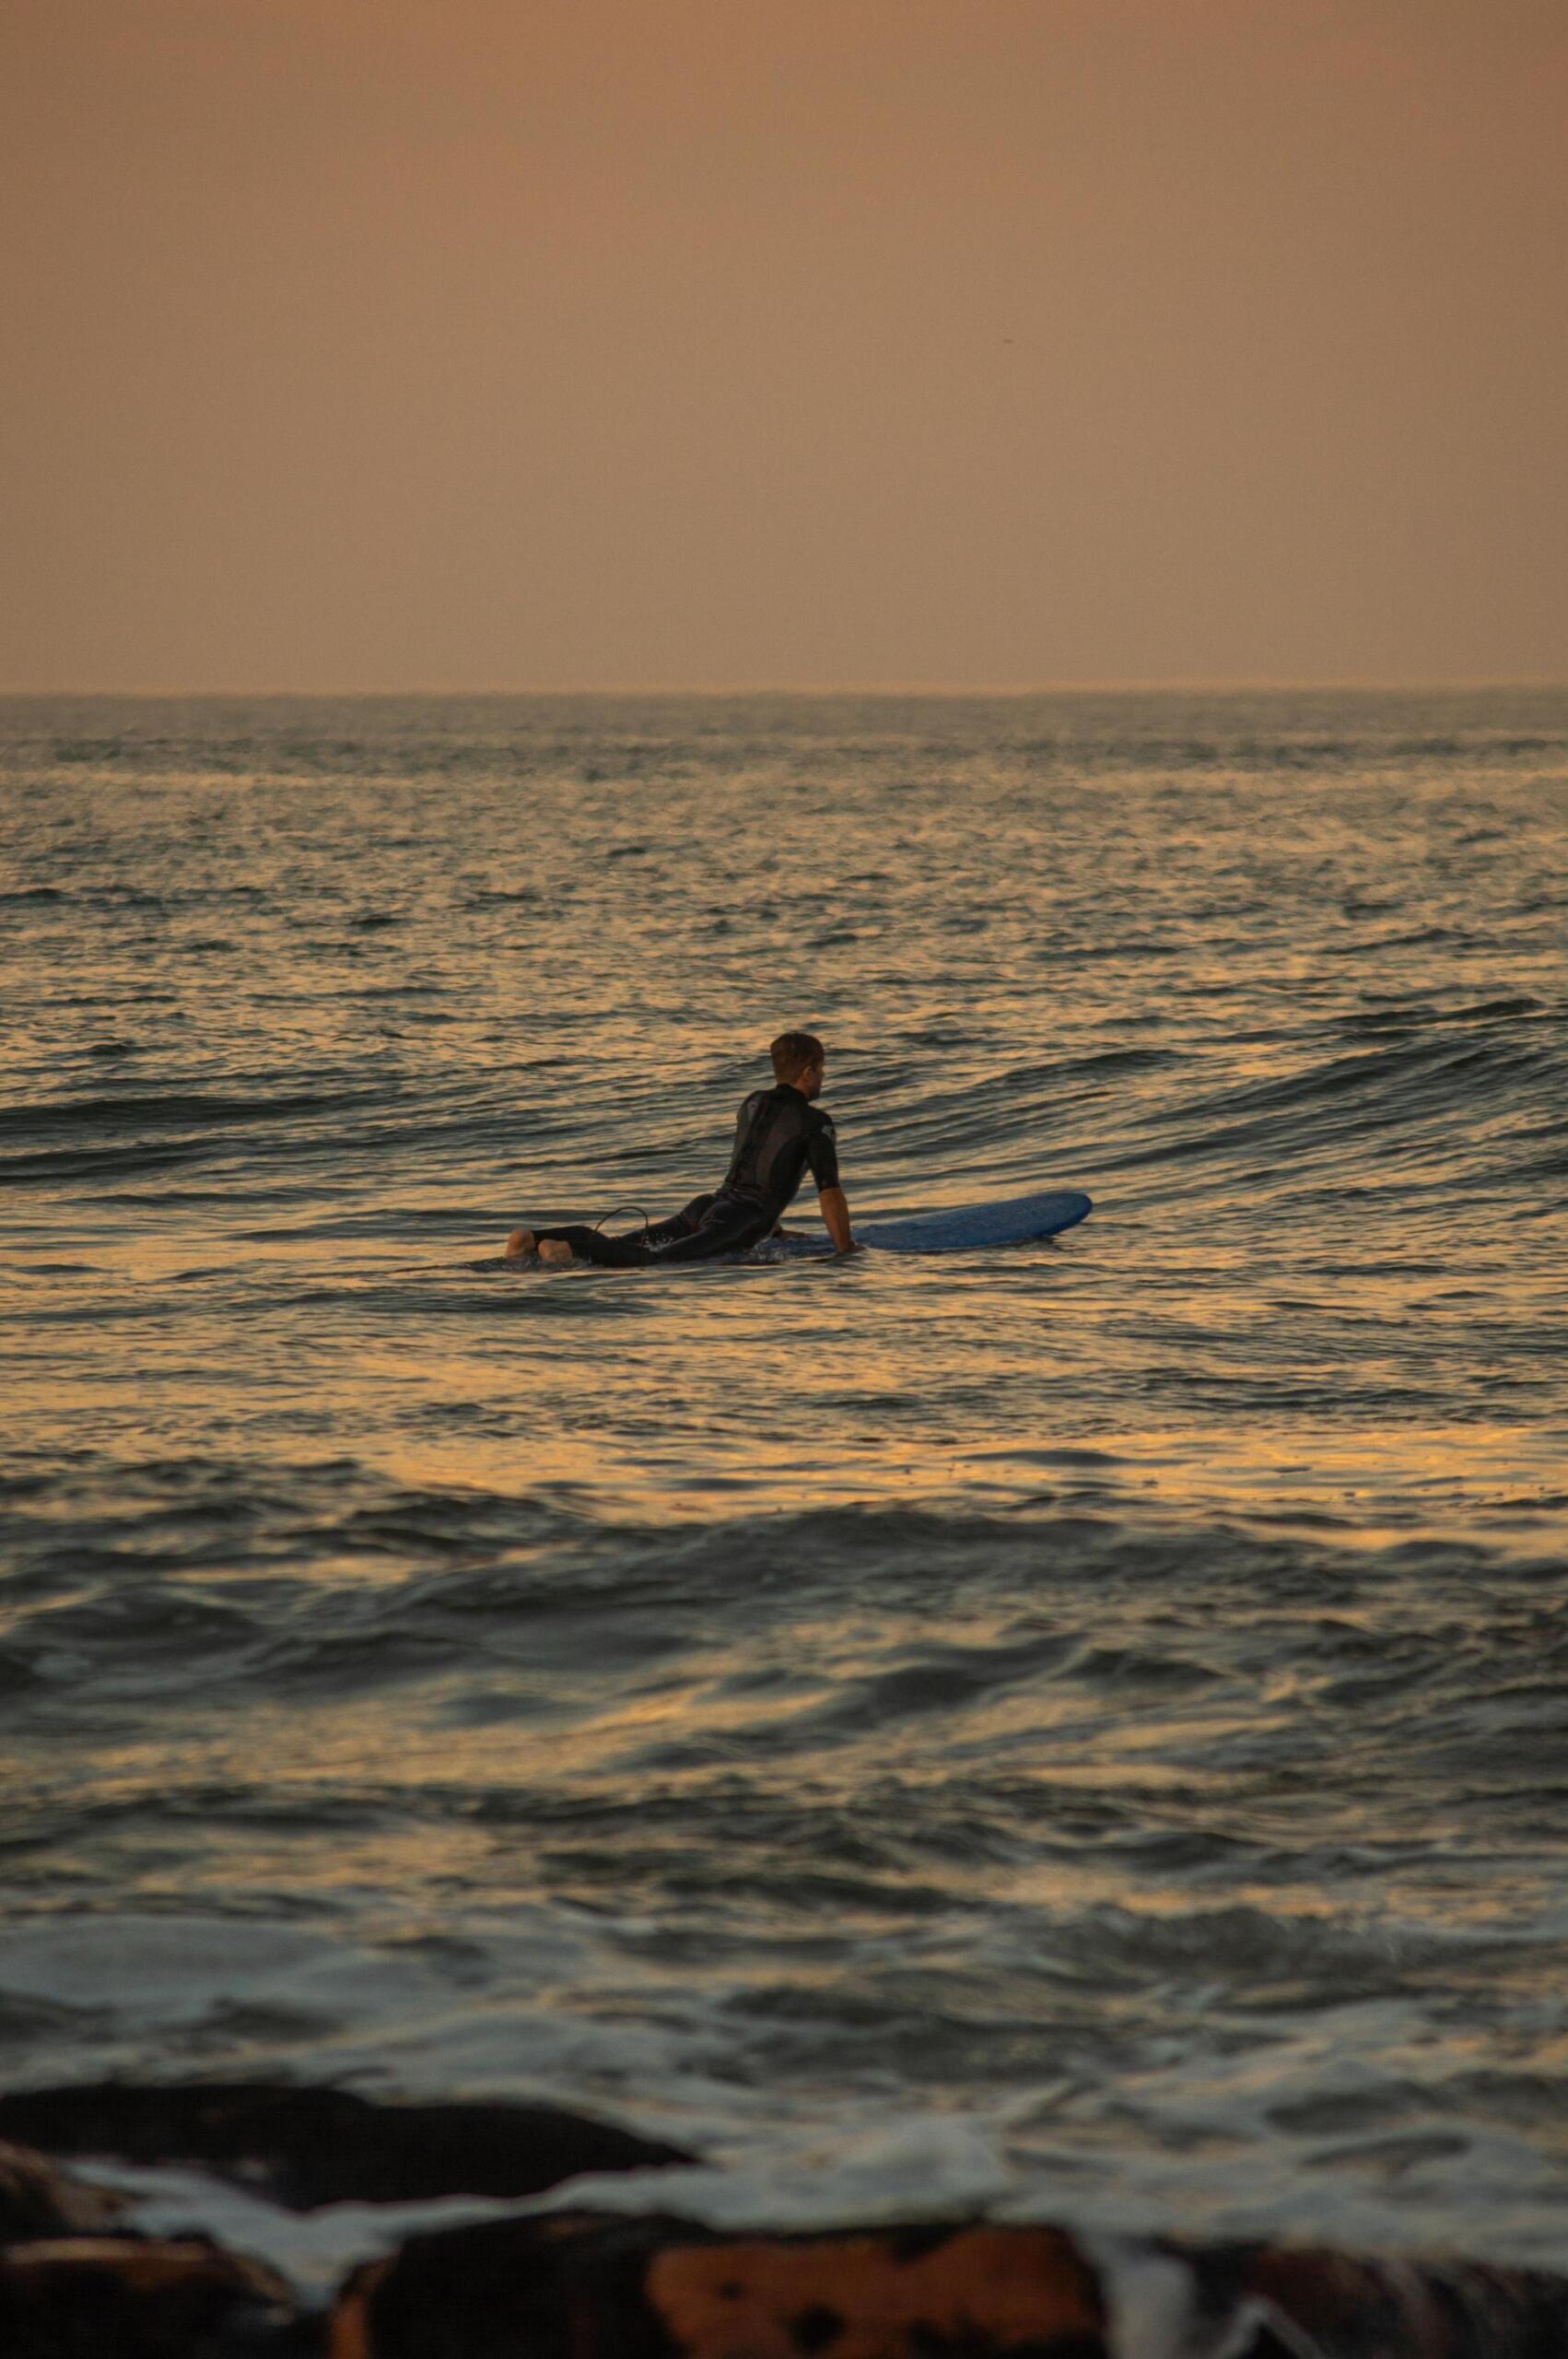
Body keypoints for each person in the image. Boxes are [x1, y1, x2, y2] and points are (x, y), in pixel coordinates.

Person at [504, 1031, 854, 1268]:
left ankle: (533, 1237)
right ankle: (567, 1250)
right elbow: (829, 1191)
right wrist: (845, 1251)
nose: (823, 1076)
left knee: (629, 1243)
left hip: (706, 1206)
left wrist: (773, 1230)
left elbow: (755, 1170)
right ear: (808, 1071)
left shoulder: (752, 1104)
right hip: (739, 1218)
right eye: (822, 1069)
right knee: (655, 1261)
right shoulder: (815, 1122)